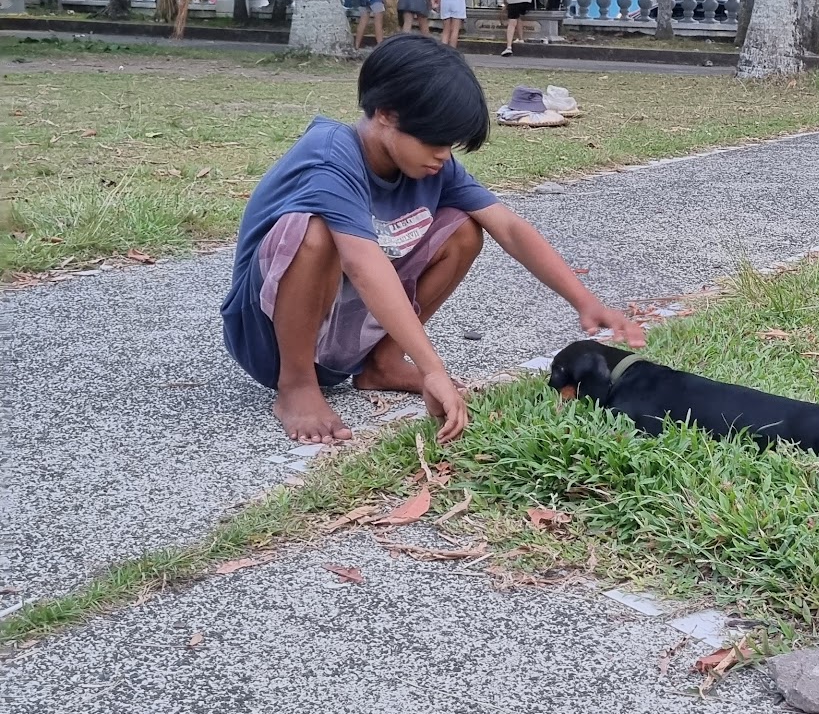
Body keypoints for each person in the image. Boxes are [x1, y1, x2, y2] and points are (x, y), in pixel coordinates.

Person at [222, 34, 646, 445]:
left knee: (464, 229)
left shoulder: (432, 166)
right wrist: (432, 369)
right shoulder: (331, 155)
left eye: (450, 143)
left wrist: (584, 300)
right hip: (267, 339)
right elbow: (364, 266)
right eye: (434, 140)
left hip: (340, 334)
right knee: (316, 232)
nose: (444, 154)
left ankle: (383, 362)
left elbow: (509, 228)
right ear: (386, 114)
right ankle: (297, 386)